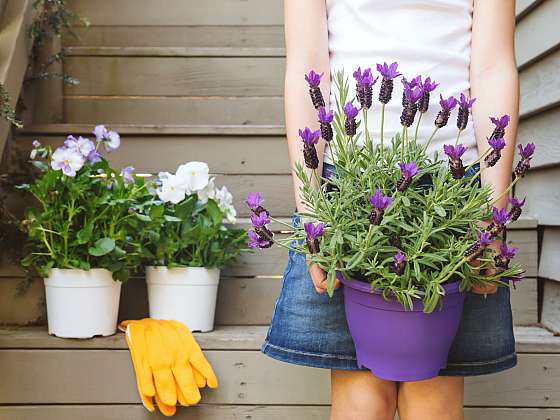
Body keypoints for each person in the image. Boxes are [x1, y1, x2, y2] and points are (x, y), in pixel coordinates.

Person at [261, 1, 519, 419]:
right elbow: (307, 66)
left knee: (432, 401)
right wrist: (311, 211)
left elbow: (493, 68)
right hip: (347, 186)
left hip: (453, 193)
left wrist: (492, 220)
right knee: (361, 401)